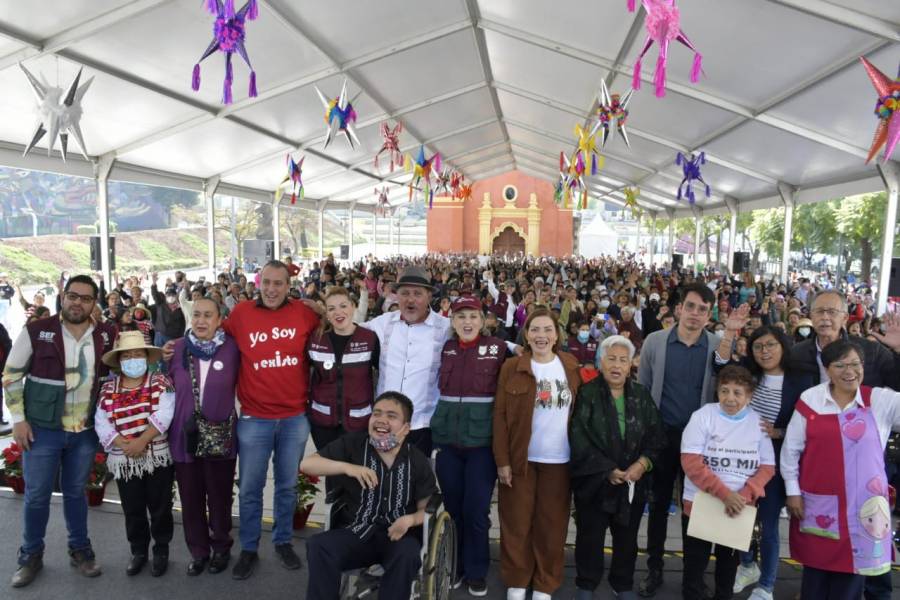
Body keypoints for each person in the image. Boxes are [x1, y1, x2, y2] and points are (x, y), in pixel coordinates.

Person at [161, 260, 319, 580]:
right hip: (254, 418)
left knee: (287, 486)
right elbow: (207, 339)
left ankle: (283, 541)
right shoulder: (241, 315)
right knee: (249, 488)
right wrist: (174, 347)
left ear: (289, 286)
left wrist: (318, 304)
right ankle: (248, 548)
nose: (272, 289)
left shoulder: (306, 314)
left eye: (279, 283)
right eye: (267, 282)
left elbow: (332, 327)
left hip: (293, 418)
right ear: (258, 283)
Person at [2, 275, 117, 587]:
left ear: (95, 303)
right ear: (63, 298)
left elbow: (118, 374)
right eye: (72, 296)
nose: (77, 302)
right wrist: (19, 420)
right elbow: (11, 376)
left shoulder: (106, 334)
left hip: (85, 432)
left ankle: (80, 549)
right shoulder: (37, 331)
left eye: (85, 298)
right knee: (37, 495)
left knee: (76, 493)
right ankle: (30, 555)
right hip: (42, 431)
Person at [781, 340, 900, 599]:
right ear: (827, 369)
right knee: (815, 577)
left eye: (856, 364)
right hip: (818, 505)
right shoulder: (811, 400)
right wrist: (792, 492)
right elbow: (791, 451)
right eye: (841, 365)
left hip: (864, 508)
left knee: (850, 582)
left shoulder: (879, 400)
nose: (850, 371)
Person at [301, 392, 438, 600]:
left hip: (398, 535)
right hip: (357, 531)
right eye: (377, 413)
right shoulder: (354, 444)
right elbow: (307, 465)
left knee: (408, 554)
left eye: (391, 416)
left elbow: (427, 508)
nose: (381, 420)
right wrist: (348, 468)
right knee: (318, 545)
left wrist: (410, 520)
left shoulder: (417, 460)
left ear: (406, 428)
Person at [715, 321, 814, 600]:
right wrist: (730, 333)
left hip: (779, 464)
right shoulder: (748, 373)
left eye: (770, 344)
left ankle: (767, 585)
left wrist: (779, 431)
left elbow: (810, 422)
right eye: (758, 346)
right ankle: (747, 566)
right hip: (742, 460)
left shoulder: (802, 379)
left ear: (783, 346)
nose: (764, 351)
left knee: (768, 525)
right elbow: (721, 368)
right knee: (742, 516)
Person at [636, 282, 719, 597]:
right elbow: (643, 390)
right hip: (661, 436)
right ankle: (654, 569)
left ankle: (693, 578)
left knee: (696, 509)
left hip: (699, 442)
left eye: (703, 309)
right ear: (678, 308)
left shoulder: (716, 346)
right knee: (657, 505)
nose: (695, 314)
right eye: (691, 306)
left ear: (709, 315)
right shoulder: (655, 342)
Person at [493, 307, 581, 600]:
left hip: (559, 461)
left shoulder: (570, 365)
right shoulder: (512, 368)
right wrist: (502, 461)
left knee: (552, 526)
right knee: (516, 522)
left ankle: (545, 582)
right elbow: (501, 418)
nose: (541, 336)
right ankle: (517, 579)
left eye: (547, 330)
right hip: (521, 461)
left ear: (557, 335)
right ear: (526, 335)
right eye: (535, 330)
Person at [569, 335, 664, 600]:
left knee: (627, 538)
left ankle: (622, 583)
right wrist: (606, 470)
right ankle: (586, 583)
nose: (616, 365)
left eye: (623, 360)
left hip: (633, 482)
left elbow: (656, 437)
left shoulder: (642, 395)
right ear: (601, 361)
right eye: (611, 358)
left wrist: (642, 464)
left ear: (630, 364)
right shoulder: (587, 394)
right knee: (590, 536)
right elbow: (578, 438)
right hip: (596, 482)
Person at [680, 365, 775, 600]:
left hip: (738, 508)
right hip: (701, 503)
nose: (729, 398)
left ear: (749, 396)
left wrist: (743, 496)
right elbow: (691, 462)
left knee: (727, 568)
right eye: (724, 391)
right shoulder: (703, 416)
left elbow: (767, 467)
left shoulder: (758, 423)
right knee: (695, 566)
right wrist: (725, 494)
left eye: (737, 392)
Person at [431, 296, 505, 597]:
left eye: (473, 316)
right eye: (461, 316)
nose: (467, 322)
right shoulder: (444, 348)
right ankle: (456, 565)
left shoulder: (499, 349)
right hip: (447, 442)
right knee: (453, 509)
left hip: (482, 445)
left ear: (483, 319)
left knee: (476, 511)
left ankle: (476, 570)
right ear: (452, 321)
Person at [166, 297, 240, 576]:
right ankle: (198, 551)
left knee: (219, 498)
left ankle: (221, 547)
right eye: (196, 314)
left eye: (208, 315)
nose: (201, 320)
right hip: (183, 438)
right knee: (191, 498)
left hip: (221, 438)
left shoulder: (233, 349)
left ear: (219, 319)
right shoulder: (175, 349)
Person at [94, 331, 175, 577]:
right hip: (124, 458)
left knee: (160, 506)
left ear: (147, 357)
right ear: (119, 361)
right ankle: (138, 551)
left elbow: (165, 413)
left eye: (137, 354)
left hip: (156, 455)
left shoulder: (161, 382)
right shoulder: (108, 388)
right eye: (127, 356)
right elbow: (101, 421)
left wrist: (141, 441)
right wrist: (123, 443)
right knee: (132, 508)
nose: (132, 359)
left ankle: (161, 550)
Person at [360, 266, 451, 456]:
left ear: (428, 296)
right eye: (405, 293)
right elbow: (349, 329)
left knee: (417, 479)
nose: (410, 299)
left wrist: (513, 347)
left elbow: (479, 336)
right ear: (396, 297)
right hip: (385, 423)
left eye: (417, 293)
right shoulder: (384, 322)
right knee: (383, 479)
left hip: (422, 425)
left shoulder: (445, 328)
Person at [307, 286, 379, 450]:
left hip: (359, 423)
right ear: (326, 313)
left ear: (353, 307)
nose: (338, 312)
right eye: (331, 308)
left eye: (343, 306)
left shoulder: (369, 339)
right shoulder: (316, 340)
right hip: (323, 424)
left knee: (355, 473)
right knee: (331, 472)